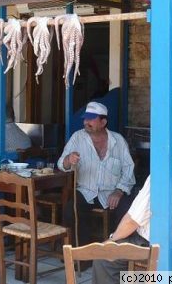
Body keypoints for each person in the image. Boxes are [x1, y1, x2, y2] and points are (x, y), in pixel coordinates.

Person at [92, 125, 172, 284]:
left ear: (167, 148)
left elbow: (133, 220)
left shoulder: (164, 176)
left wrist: (112, 240)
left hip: (168, 253)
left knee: (103, 257)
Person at [58, 101, 135, 250]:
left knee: (128, 211)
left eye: (91, 118)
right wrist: (69, 160)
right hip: (86, 191)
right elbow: (62, 164)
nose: (86, 122)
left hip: (111, 192)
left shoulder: (118, 141)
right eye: (85, 118)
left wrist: (119, 191)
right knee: (71, 210)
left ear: (103, 122)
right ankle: (81, 256)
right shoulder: (77, 137)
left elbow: (129, 169)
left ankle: (117, 255)